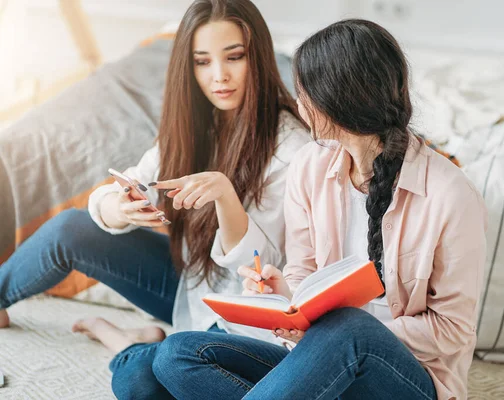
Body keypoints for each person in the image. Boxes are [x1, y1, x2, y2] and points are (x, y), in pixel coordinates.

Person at [152, 19, 488, 400]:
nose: (299, 104)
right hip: (320, 359)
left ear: (338, 98)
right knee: (178, 355)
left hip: (408, 377)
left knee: (350, 328)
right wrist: (288, 298)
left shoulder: (450, 195)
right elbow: (303, 272)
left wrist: (332, 327)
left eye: (304, 91)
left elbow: (453, 329)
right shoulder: (310, 166)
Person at [0, 0, 308, 398]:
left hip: (244, 316)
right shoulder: (197, 125)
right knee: (70, 229)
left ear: (259, 57)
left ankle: (126, 343)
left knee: (140, 382)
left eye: (235, 57)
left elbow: (260, 267)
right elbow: (126, 184)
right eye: (202, 62)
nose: (219, 76)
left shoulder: (293, 146)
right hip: (191, 287)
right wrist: (118, 206)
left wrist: (225, 198)